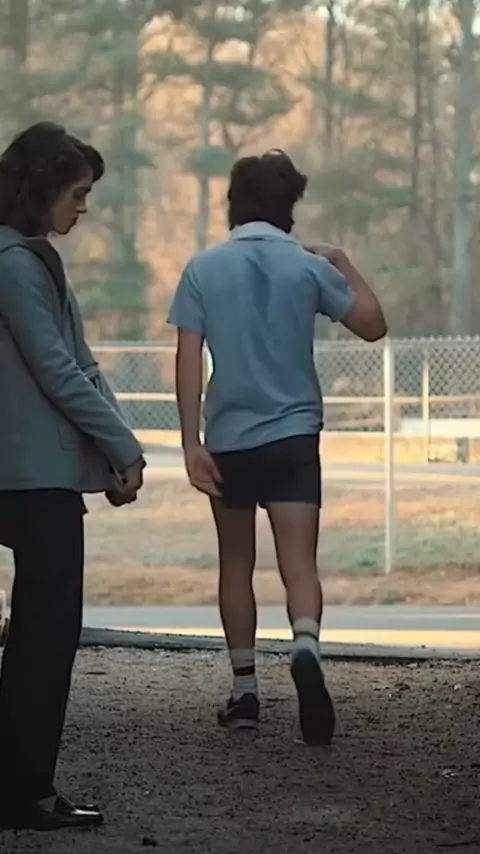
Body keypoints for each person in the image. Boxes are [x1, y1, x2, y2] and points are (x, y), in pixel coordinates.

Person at [168, 150, 387, 746]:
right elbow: (373, 325)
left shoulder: (203, 268)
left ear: (233, 204)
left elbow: (188, 360)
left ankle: (244, 692)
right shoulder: (306, 267)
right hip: (293, 436)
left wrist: (190, 442)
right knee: (299, 563)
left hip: (229, 440)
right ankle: (306, 645)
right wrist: (342, 261)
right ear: (289, 207)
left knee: (236, 563)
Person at [0, 122, 145, 831]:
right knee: (46, 633)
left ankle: (21, 786)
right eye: (78, 193)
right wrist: (121, 447)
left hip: (36, 473)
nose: (84, 207)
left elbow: (81, 363)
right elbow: (58, 369)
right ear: (42, 187)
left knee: (42, 631)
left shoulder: (33, 260)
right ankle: (23, 791)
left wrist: (118, 448)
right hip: (28, 478)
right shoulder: (15, 264)